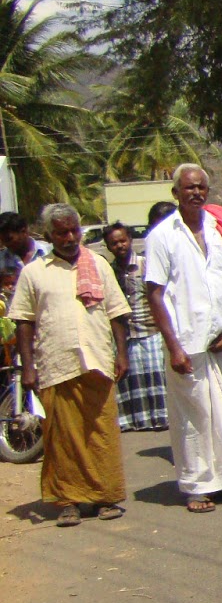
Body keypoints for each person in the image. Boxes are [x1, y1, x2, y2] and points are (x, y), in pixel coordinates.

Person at [9, 204, 131, 527]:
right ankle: (69, 502)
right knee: (63, 437)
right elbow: (23, 321)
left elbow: (117, 312)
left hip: (97, 361)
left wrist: (121, 354)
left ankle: (105, 497)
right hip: (56, 363)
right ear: (49, 235)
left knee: (100, 433)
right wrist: (28, 367)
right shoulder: (34, 272)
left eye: (74, 230)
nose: (69, 237)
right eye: (61, 232)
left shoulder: (98, 264)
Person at [144, 164, 222, 514]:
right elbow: (155, 293)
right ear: (175, 192)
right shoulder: (162, 236)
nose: (196, 193)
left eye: (202, 187)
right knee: (192, 416)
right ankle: (196, 486)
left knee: (221, 413)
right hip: (187, 341)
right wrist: (173, 347)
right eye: (189, 187)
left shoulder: (220, 229)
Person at [106, 220, 168, 432]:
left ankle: (160, 419)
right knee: (130, 379)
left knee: (155, 375)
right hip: (125, 335)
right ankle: (135, 421)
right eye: (114, 243)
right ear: (108, 247)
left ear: (130, 240)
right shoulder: (109, 272)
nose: (120, 246)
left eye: (123, 241)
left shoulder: (145, 265)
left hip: (149, 329)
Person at [0, 211, 49, 278]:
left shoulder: (48, 252)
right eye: (2, 240)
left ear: (24, 232)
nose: (5, 244)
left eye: (9, 239)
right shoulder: (2, 260)